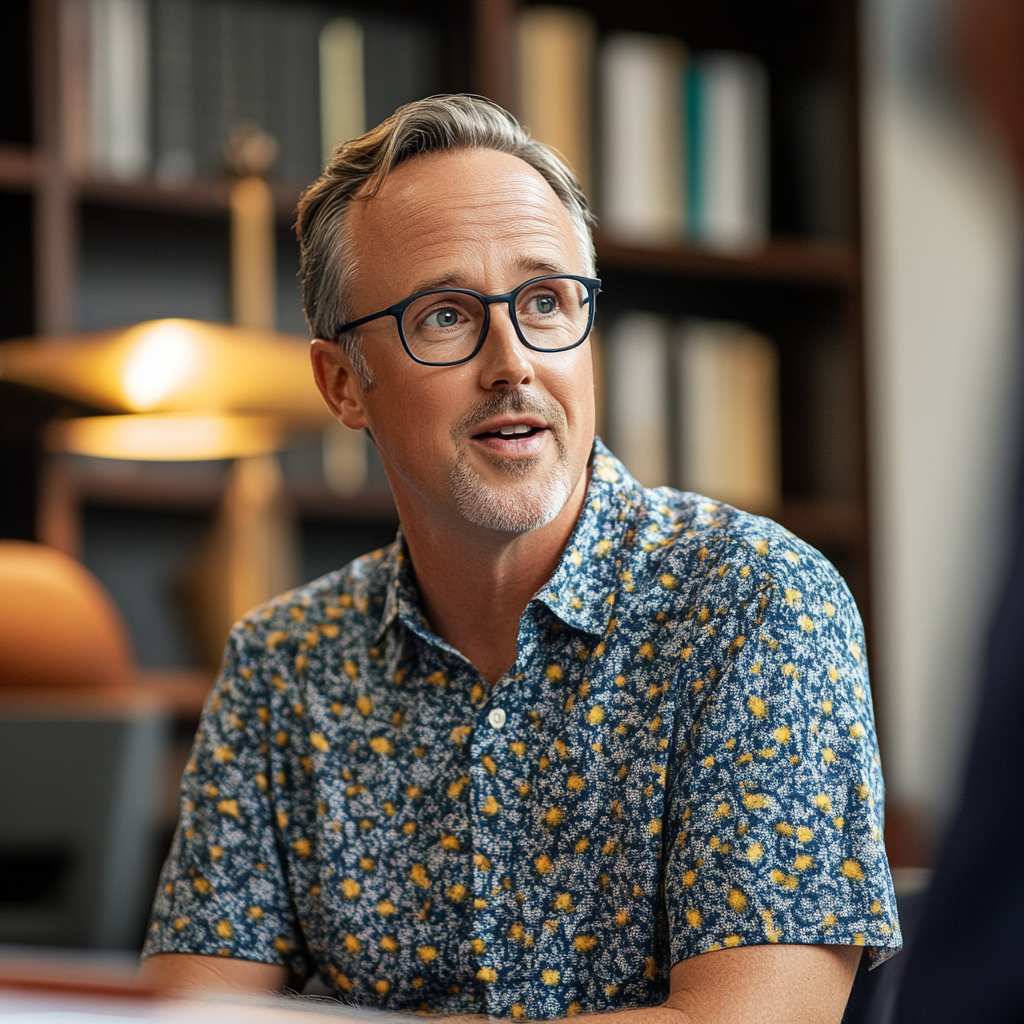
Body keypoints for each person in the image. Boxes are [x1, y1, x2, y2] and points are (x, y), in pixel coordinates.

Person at [140, 95, 899, 1021]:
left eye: (546, 302)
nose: (514, 361)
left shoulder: (756, 604)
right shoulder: (280, 664)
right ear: (344, 383)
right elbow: (184, 1017)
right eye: (447, 317)